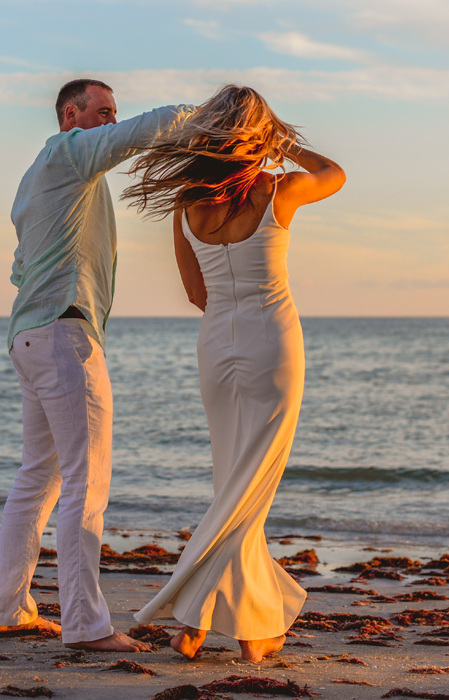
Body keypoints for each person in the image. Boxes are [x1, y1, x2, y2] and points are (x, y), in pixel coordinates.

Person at [123, 85, 346, 662]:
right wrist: (287, 144)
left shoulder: (187, 204)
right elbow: (335, 173)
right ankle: (247, 633)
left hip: (216, 345)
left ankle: (198, 625)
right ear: (259, 137)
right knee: (250, 493)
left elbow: (196, 292)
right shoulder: (279, 188)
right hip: (272, 342)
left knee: (233, 485)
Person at [0, 79, 193, 652]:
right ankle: (85, 625)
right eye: (101, 112)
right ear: (69, 116)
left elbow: (19, 268)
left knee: (38, 477)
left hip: (30, 335)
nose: (110, 121)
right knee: (85, 480)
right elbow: (145, 130)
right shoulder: (68, 153)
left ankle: (9, 609)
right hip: (63, 334)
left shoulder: (35, 180)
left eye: (113, 112)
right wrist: (215, 115)